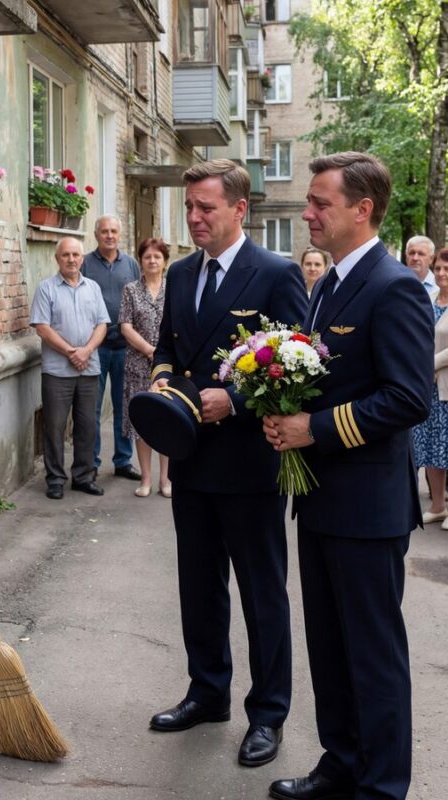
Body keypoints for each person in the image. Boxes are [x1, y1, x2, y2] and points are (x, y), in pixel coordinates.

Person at [263, 152, 434, 800]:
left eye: (318, 203)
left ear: (361, 210)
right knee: (331, 651)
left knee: (372, 657)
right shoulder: (329, 284)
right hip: (321, 499)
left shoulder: (391, 286)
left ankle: (381, 786)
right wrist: (283, 415)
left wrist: (315, 428)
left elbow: (408, 397)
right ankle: (340, 763)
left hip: (367, 505)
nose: (306, 213)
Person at [149, 159, 308, 769]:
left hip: (249, 464)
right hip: (192, 460)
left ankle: (267, 714)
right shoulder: (184, 273)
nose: (193, 219)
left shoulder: (276, 273)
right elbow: (166, 349)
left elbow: (296, 364)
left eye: (205, 209)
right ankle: (208, 691)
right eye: (189, 208)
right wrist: (166, 389)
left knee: (262, 594)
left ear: (240, 210)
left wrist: (235, 399)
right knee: (199, 588)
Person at [30, 237, 109, 500]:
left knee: (87, 425)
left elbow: (102, 325)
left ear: (82, 258)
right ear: (57, 259)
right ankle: (55, 479)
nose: (71, 259)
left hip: (89, 368)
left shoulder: (93, 288)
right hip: (57, 371)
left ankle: (84, 477)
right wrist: (70, 352)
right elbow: (42, 327)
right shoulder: (46, 289)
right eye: (66, 255)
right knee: (54, 426)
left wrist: (85, 351)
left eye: (76, 254)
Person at [82, 215, 141, 480]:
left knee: (124, 405)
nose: (109, 235)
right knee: (92, 407)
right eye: (104, 231)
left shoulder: (130, 265)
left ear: (119, 234)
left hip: (125, 347)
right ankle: (91, 462)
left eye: (113, 231)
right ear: (96, 234)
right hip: (95, 347)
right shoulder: (84, 263)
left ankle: (123, 460)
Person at [119, 237, 171, 498]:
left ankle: (166, 479)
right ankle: (146, 479)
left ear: (164, 261)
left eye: (157, 256)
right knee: (142, 421)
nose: (152, 261)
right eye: (148, 256)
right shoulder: (131, 289)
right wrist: (150, 350)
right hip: (138, 364)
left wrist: (162, 354)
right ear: (140, 260)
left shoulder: (173, 289)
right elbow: (125, 325)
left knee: (166, 419)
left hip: (167, 366)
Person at [413, 246, 448, 529]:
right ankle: (438, 505)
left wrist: (428, 365)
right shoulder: (430, 298)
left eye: (447, 269)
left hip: (443, 383)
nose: (441, 273)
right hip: (430, 389)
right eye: (438, 268)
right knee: (433, 449)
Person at [405, 234, 438, 300]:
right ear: (406, 256)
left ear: (431, 259)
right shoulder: (396, 282)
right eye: (412, 253)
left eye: (421, 254)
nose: (415, 258)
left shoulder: (440, 286)